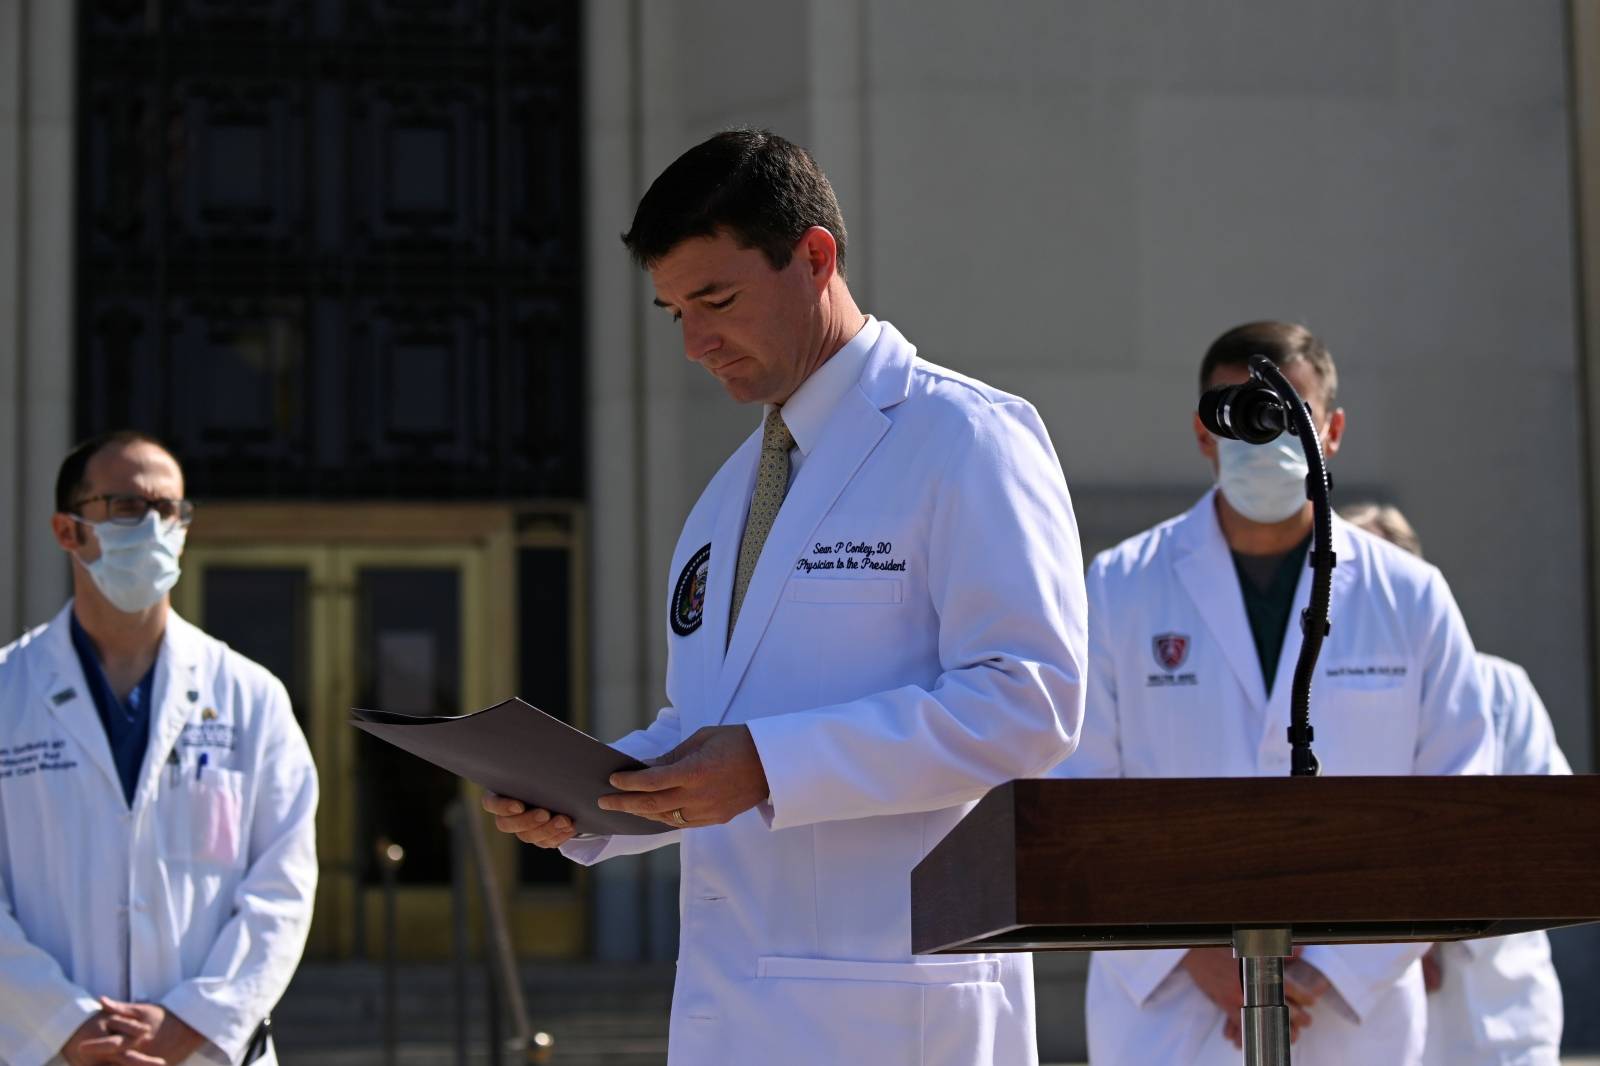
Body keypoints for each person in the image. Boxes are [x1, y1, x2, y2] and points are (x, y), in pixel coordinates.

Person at [482, 128, 1087, 1064]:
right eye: (673, 312)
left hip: (897, 1009)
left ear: (815, 258)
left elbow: (1029, 704)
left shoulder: (966, 438)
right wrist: (588, 802)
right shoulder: (726, 499)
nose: (694, 344)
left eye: (715, 300)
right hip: (737, 1013)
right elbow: (709, 727)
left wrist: (770, 766)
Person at [1049, 321, 1494, 1066]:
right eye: (1240, 412)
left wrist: (1332, 971)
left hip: (1357, 1015)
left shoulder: (1411, 597)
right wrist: (1196, 958)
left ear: (1335, 429)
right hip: (1167, 1010)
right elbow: (1075, 794)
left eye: (1289, 413)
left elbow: (1461, 798)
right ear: (1201, 432)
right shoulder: (1121, 586)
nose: (1264, 436)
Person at [0, 431, 319, 1066]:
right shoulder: (9, 691)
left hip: (201, 1052)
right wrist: (64, 1025)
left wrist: (191, 1023)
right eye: (125, 507)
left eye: (168, 510)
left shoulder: (250, 696)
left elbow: (282, 886)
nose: (153, 526)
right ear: (68, 531)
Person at [1343, 500, 1567, 1066]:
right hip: (1359, 1017)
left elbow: (1550, 840)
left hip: (1495, 1013)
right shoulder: (1309, 702)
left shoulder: (1500, 689)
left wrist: (1426, 929)